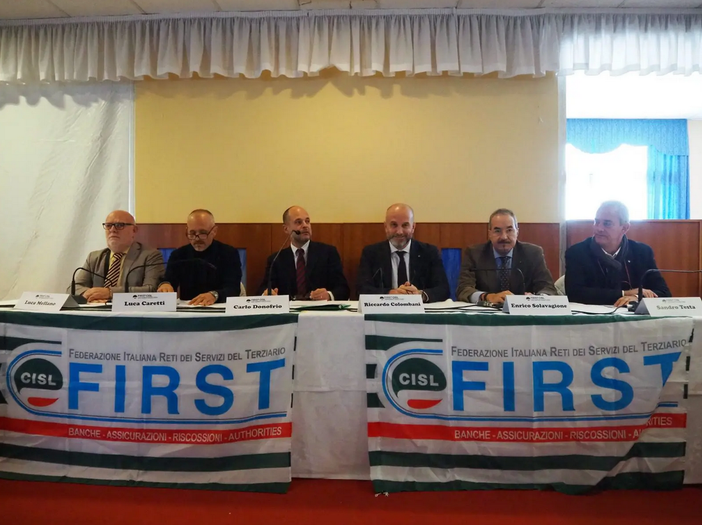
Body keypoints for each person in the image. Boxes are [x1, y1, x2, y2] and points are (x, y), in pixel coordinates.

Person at [565, 200, 671, 306]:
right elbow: (574, 294)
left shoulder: (642, 252)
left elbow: (664, 293)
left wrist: (636, 297)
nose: (599, 228)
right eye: (596, 222)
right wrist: (624, 294)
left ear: (624, 228)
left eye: (607, 224)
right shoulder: (577, 252)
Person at [456, 208, 557, 304]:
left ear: (517, 232)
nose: (504, 237)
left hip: (523, 312)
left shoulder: (533, 253)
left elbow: (548, 288)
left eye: (509, 230)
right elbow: (463, 289)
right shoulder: (474, 254)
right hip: (487, 313)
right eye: (497, 231)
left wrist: (537, 299)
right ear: (489, 233)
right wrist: (487, 297)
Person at [356, 203, 449, 303]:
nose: (399, 232)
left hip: (419, 310)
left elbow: (443, 289)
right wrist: (391, 294)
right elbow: (362, 289)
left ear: (413, 227)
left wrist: (420, 295)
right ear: (386, 227)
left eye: (405, 225)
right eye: (394, 225)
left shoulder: (429, 252)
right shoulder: (371, 253)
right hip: (385, 308)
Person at [69, 210, 164, 302]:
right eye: (108, 225)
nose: (112, 230)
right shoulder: (94, 257)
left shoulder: (150, 255)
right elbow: (73, 288)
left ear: (134, 230)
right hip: (97, 309)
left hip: (130, 310)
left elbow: (151, 289)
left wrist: (110, 293)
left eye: (119, 225)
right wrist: (90, 294)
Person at [257, 206, 350, 300]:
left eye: (307, 221)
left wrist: (329, 295)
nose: (305, 225)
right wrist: (268, 295)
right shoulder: (276, 259)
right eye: (298, 222)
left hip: (319, 308)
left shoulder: (328, 253)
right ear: (286, 229)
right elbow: (263, 289)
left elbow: (343, 289)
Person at [157, 209, 242, 305]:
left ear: (214, 231)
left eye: (203, 233)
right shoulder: (179, 255)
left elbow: (233, 289)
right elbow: (169, 279)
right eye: (192, 233)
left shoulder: (229, 253)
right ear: (186, 231)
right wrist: (165, 285)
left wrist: (214, 295)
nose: (197, 239)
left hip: (218, 307)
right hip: (188, 308)